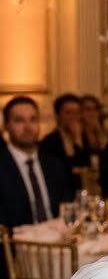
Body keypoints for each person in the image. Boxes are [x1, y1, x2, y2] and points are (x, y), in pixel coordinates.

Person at [0, 95, 74, 229]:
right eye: (19, 120)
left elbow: (68, 210)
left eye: (33, 120)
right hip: (16, 240)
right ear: (6, 126)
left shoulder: (54, 165)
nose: (28, 127)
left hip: (58, 239)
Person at [39, 93, 89, 178]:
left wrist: (78, 140)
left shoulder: (84, 137)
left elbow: (87, 166)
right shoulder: (49, 142)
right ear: (57, 115)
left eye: (77, 112)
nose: (74, 117)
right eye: (68, 112)